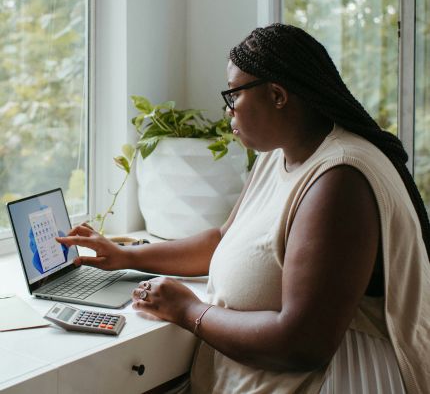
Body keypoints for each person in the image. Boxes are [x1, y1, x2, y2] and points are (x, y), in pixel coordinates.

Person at [57, 24, 430, 394]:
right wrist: (126, 256)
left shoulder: (339, 181)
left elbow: (301, 345)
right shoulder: (280, 154)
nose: (227, 111)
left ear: (277, 95)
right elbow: (221, 239)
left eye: (233, 95)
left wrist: (188, 311)